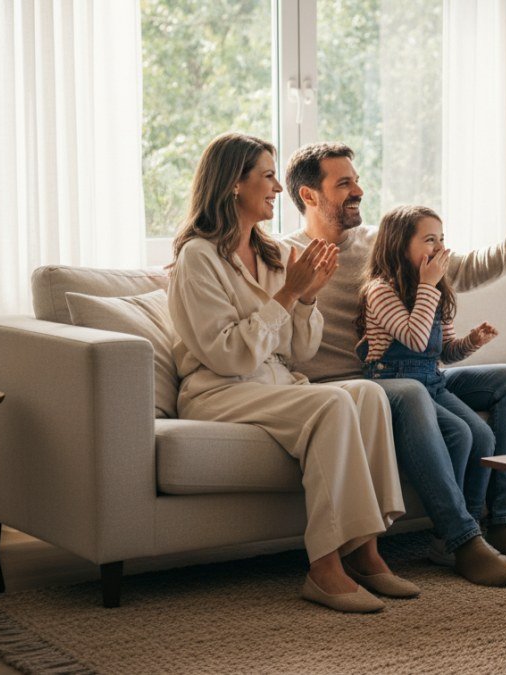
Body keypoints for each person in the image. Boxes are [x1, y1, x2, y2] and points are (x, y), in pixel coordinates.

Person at [281, 143, 506, 581]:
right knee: (423, 397)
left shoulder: (384, 241)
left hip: (421, 373)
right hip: (355, 382)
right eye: (344, 183)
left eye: (356, 179)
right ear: (308, 196)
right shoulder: (283, 255)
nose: (358, 189)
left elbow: (466, 269)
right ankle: (460, 537)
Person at [168, 132, 417, 613]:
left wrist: (306, 297)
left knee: (366, 394)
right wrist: (287, 296)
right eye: (266, 176)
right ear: (233, 184)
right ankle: (324, 568)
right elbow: (227, 357)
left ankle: (366, 551)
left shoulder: (273, 253)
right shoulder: (198, 257)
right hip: (218, 390)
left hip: (276, 382)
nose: (277, 189)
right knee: (332, 401)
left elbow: (301, 350)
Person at [358, 204, 506, 586]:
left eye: (442, 239)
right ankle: (455, 538)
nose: (439, 249)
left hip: (431, 379)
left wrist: (472, 342)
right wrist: (426, 287)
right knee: (461, 433)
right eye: (429, 240)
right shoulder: (380, 290)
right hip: (392, 380)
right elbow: (415, 339)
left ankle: (475, 532)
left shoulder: (437, 289)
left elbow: (442, 352)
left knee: (484, 431)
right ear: (400, 245)